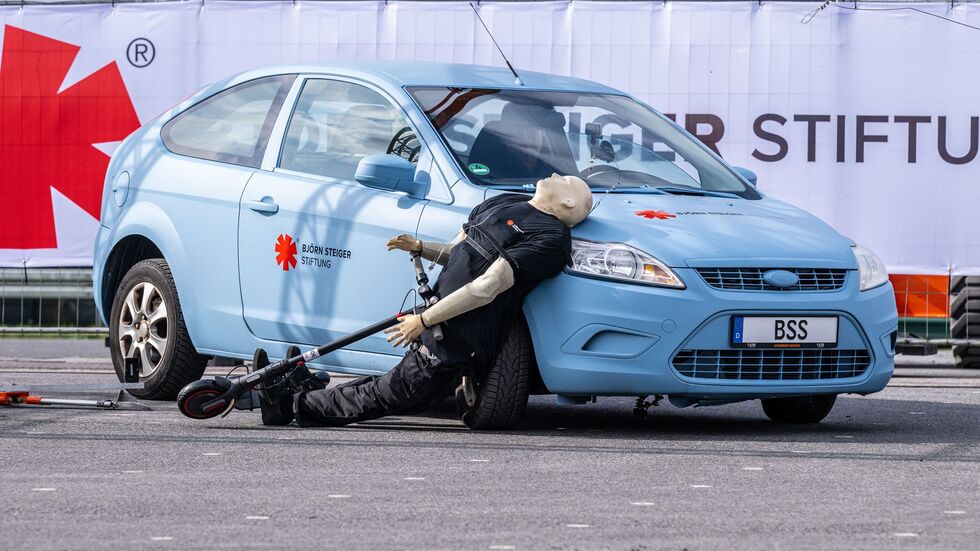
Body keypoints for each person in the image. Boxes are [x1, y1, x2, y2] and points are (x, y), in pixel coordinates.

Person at [259, 173, 593, 427]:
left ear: (568, 205)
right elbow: (464, 252)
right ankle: (294, 396)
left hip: (458, 336)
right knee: (388, 385)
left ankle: (290, 406)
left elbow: (488, 286)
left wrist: (423, 321)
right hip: (436, 316)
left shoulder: (551, 239)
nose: (555, 175)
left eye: (565, 181)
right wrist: (422, 248)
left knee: (394, 393)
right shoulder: (504, 202)